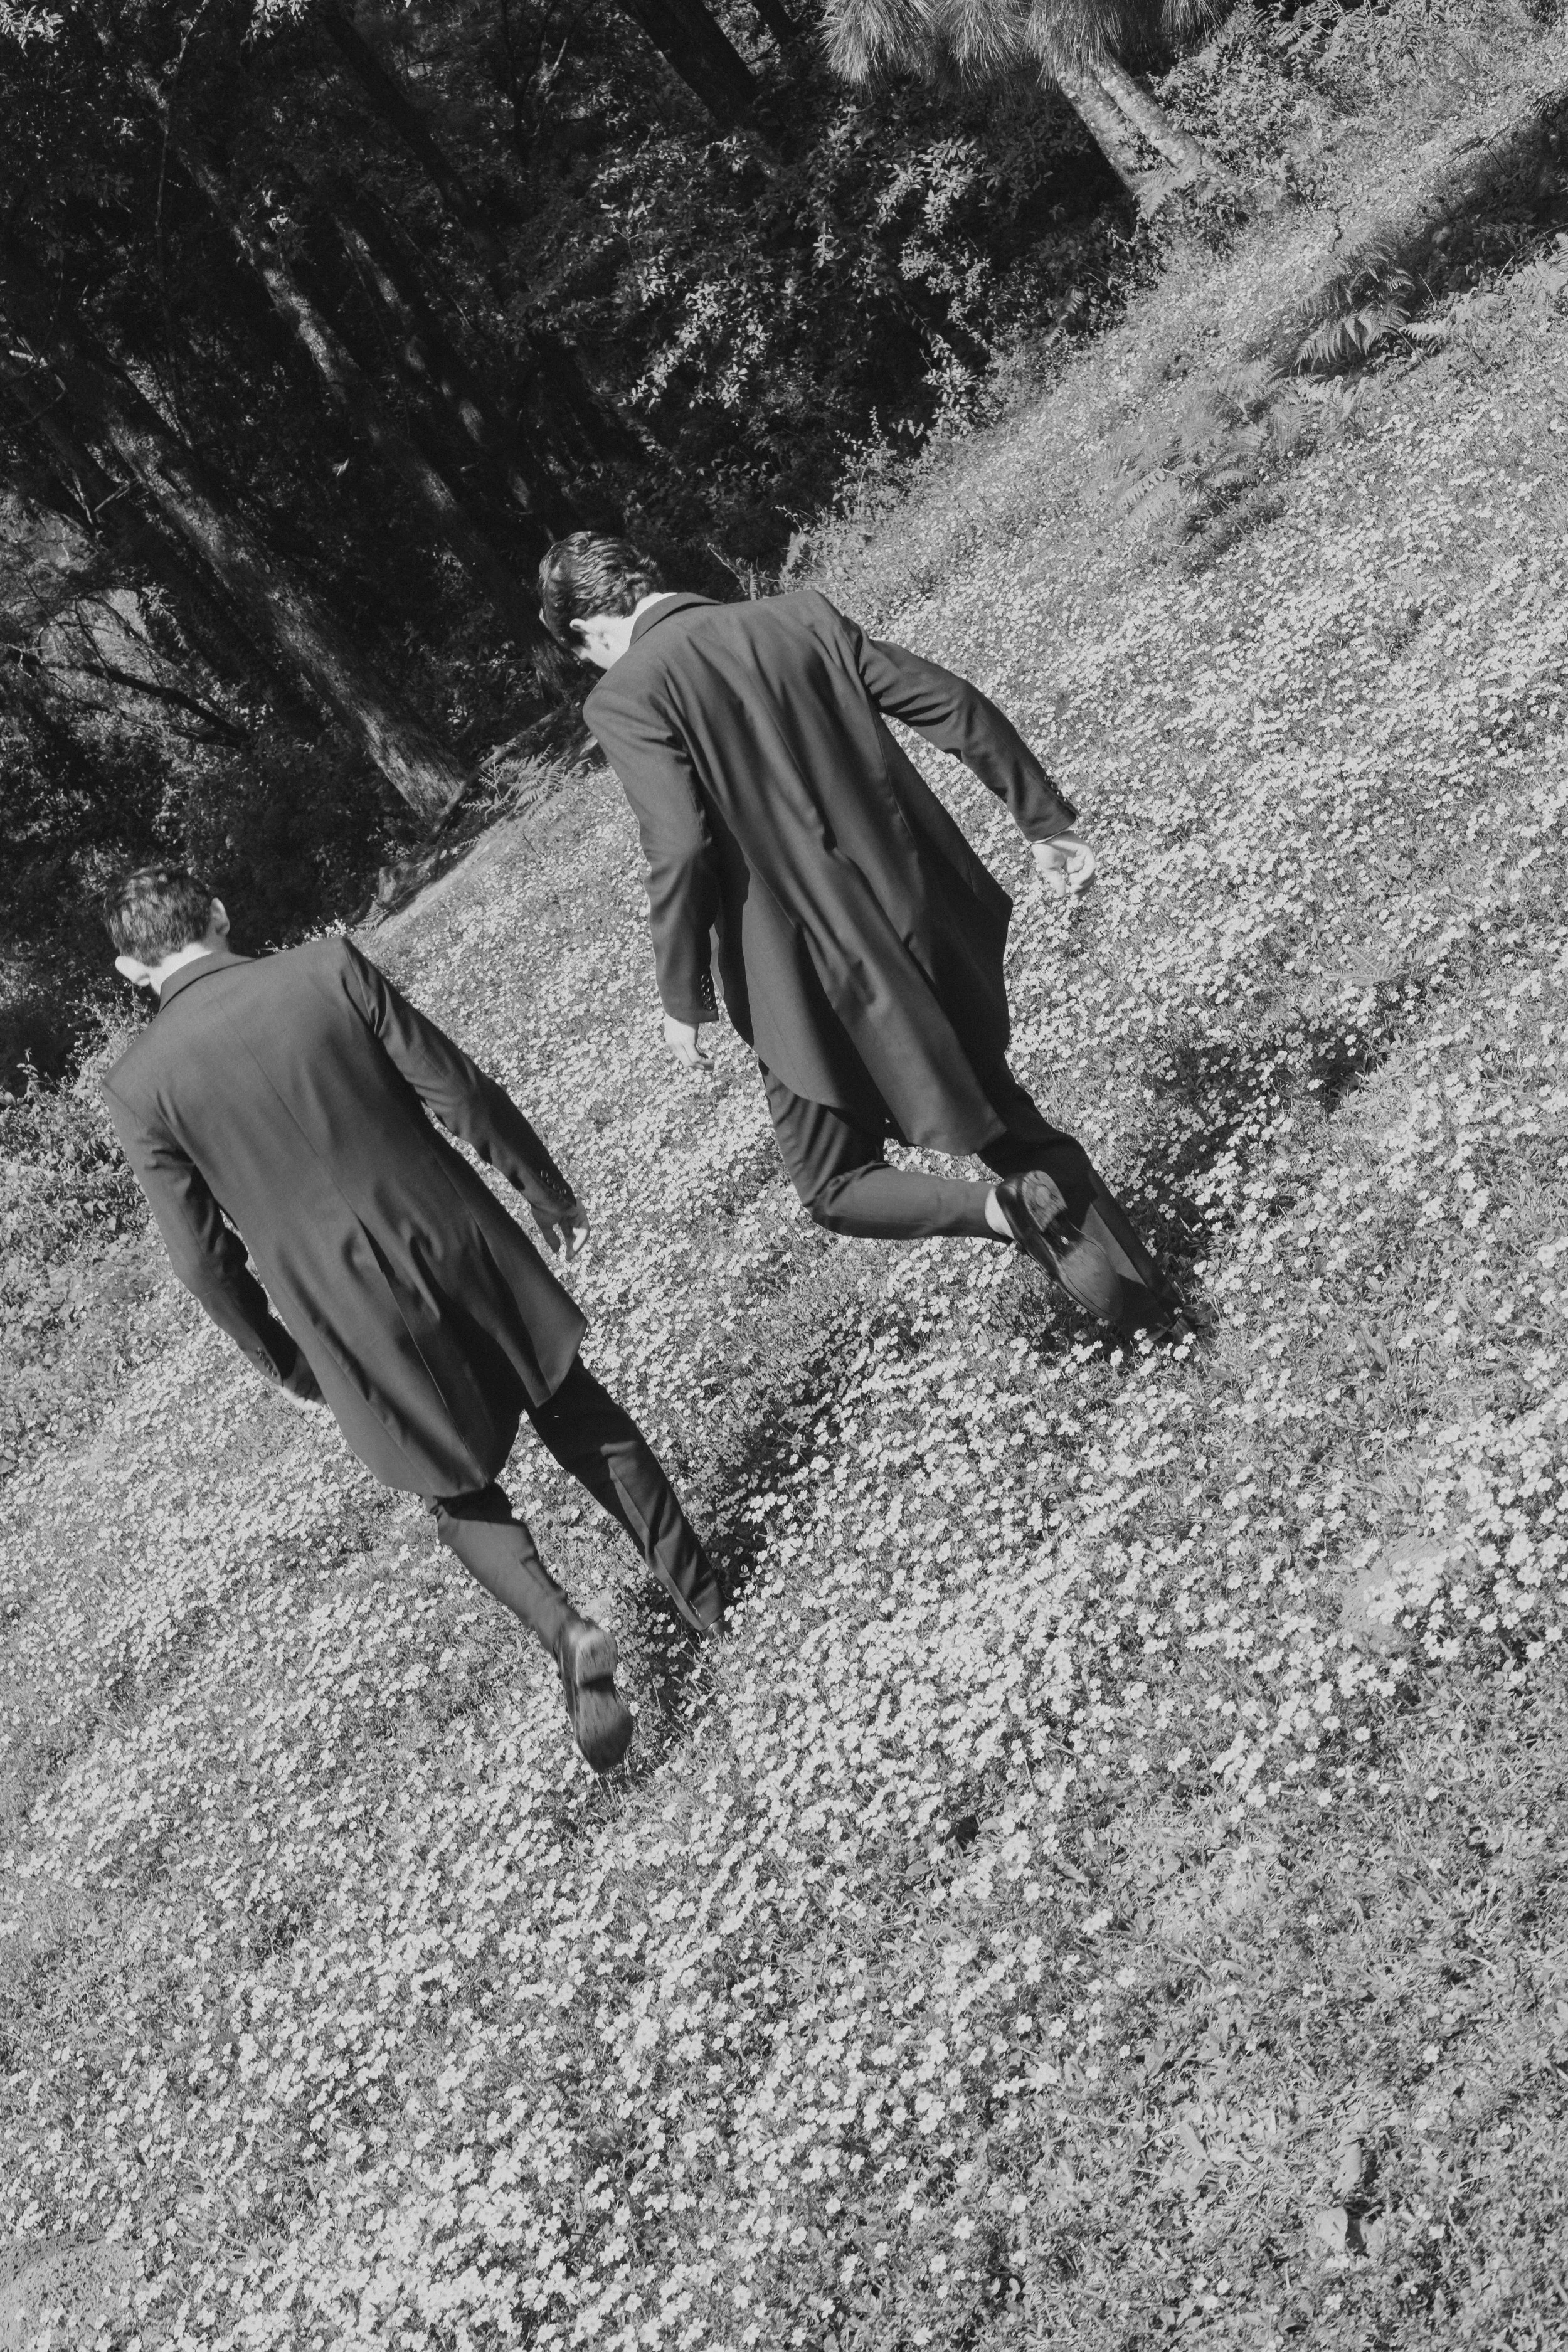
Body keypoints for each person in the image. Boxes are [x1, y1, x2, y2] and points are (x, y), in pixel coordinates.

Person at [100, 864, 722, 1775]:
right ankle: (709, 1606)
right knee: (575, 1410)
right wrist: (538, 1182)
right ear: (221, 913)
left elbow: (201, 1260)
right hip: (452, 1235)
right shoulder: (324, 967)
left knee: (458, 1491)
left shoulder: (137, 1085)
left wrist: (282, 1354)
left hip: (343, 1309)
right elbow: (456, 1088)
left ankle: (568, 1628)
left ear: (130, 969)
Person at [541, 532, 1187, 1342]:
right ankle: (1151, 1309)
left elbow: (679, 846)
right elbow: (948, 698)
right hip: (916, 929)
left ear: (587, 632)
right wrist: (1041, 818)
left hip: (804, 984)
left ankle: (1003, 1208)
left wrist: (682, 997)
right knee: (1006, 1119)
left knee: (831, 1180)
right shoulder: (797, 616)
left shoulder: (626, 692)